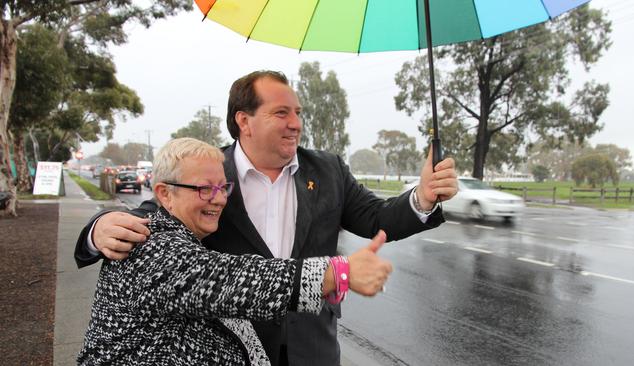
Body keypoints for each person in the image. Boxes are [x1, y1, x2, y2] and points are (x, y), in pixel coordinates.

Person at [74, 70, 458, 366]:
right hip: (233, 344)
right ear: (245, 121)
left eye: (298, 113)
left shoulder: (328, 170)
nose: (295, 123)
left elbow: (377, 218)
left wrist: (422, 197)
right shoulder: (210, 171)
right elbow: (163, 220)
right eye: (281, 113)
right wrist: (100, 227)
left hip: (313, 345)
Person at [78, 138, 392, 365]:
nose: (218, 199)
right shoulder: (151, 246)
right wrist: (334, 273)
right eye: (205, 189)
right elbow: (231, 280)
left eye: (223, 188)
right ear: (164, 194)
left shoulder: (184, 234)